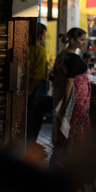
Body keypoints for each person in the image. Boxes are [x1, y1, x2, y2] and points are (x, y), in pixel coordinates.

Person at [51, 27, 91, 164]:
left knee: (66, 128)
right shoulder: (73, 58)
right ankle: (70, 161)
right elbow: (69, 81)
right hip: (75, 100)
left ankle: (62, 160)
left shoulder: (61, 55)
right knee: (73, 129)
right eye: (81, 40)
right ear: (72, 40)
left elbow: (57, 78)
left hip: (63, 95)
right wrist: (67, 103)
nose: (84, 43)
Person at [27, 23, 49, 142]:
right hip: (37, 88)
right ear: (40, 36)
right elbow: (38, 74)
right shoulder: (40, 50)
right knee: (36, 117)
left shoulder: (27, 48)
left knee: (29, 116)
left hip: (29, 86)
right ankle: (31, 145)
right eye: (44, 35)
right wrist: (30, 90)